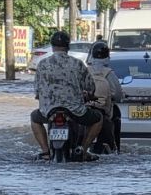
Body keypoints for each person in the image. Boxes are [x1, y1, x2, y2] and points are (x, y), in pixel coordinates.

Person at [31, 30, 102, 161]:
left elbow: (37, 90)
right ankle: (84, 150)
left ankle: (46, 152)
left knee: (34, 118)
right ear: (68, 47)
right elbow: (91, 87)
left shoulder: (42, 64)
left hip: (48, 111)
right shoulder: (77, 64)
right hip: (75, 111)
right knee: (98, 118)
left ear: (52, 46)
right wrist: (89, 95)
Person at [87, 41, 125, 153]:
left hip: (82, 109)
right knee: (116, 114)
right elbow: (117, 95)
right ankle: (115, 147)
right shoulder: (109, 73)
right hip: (103, 110)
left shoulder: (84, 70)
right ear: (107, 57)